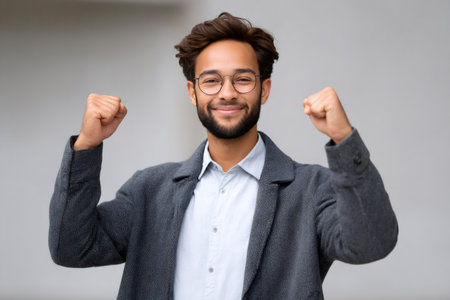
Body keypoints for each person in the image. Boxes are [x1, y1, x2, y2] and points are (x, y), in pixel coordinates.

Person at [49, 12, 398, 300]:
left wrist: (344, 138)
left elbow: (371, 244)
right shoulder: (149, 190)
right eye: (212, 81)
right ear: (192, 91)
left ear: (265, 89)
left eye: (243, 79)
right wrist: (86, 146)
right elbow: (71, 248)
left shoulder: (310, 189)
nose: (227, 93)